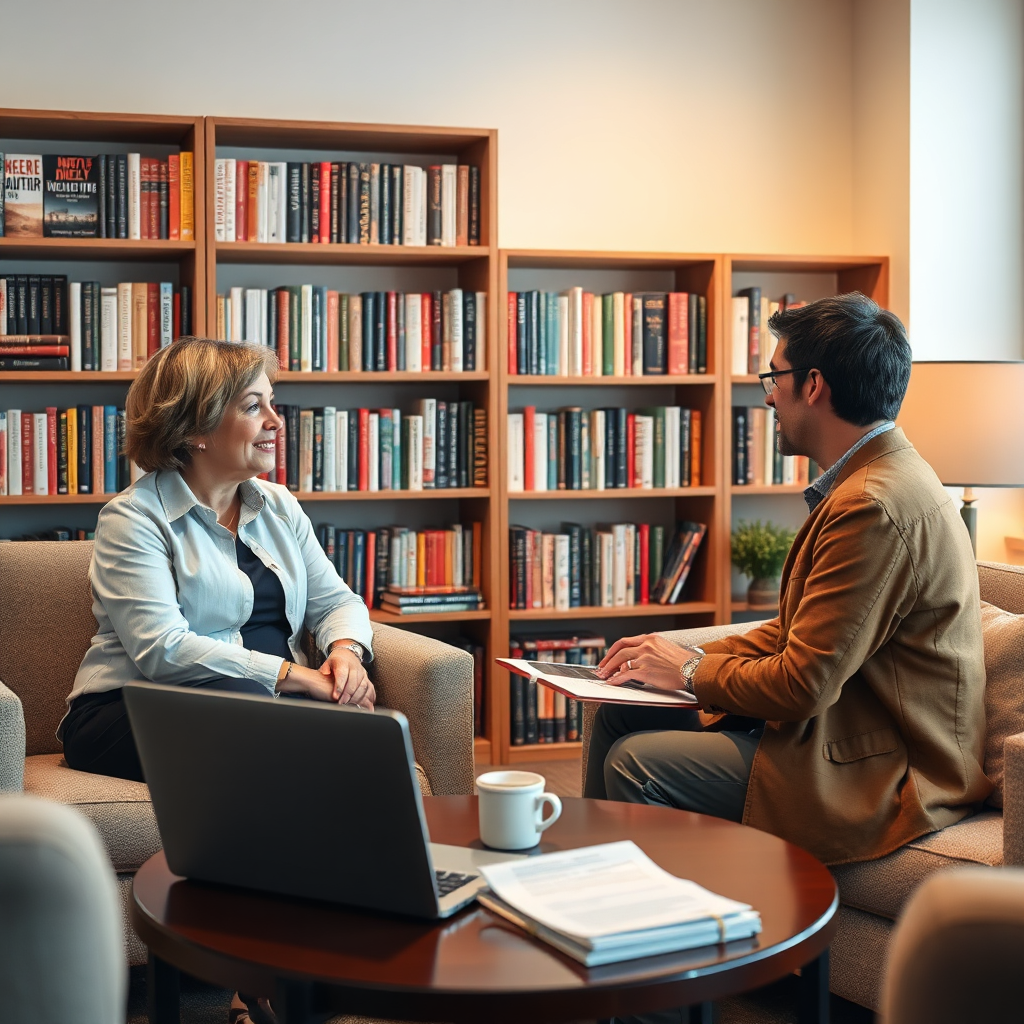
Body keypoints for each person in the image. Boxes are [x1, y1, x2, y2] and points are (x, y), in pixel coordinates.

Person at [585, 292, 991, 868]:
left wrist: (693, 669)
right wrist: (673, 654)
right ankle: (595, 895)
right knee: (622, 711)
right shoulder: (876, 478)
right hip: (846, 728)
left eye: (774, 377)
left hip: (884, 765)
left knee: (638, 762)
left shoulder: (874, 505)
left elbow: (803, 686)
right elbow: (795, 633)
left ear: (814, 384)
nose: (769, 396)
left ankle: (662, 940)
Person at [60, 337, 375, 785]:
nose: (275, 422)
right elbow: (163, 650)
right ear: (193, 429)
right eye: (253, 407)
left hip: (263, 707)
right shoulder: (133, 518)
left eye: (272, 402)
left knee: (359, 731)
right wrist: (297, 677)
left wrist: (345, 655)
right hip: (133, 708)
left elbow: (336, 603)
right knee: (248, 711)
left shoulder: (280, 505)